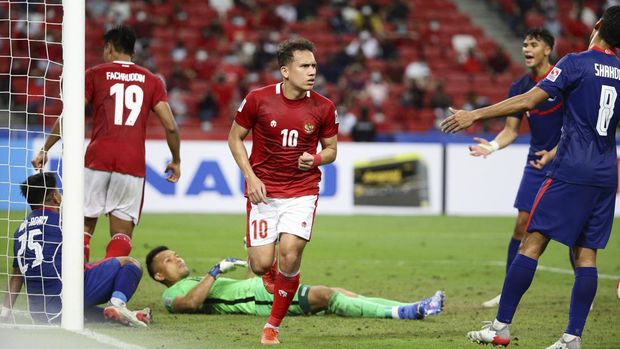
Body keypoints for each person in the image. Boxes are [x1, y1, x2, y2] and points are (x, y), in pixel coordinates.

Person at [441, 6, 620, 349]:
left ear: (597, 26)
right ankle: (572, 338)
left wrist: (474, 115)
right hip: (605, 172)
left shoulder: (575, 62)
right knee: (586, 256)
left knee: (532, 242)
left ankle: (500, 328)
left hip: (571, 171)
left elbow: (528, 99)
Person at [31, 25, 181, 262]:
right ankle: (113, 294)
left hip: (97, 158)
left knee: (83, 227)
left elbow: (71, 114)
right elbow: (171, 126)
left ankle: (78, 286)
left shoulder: (95, 74)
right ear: (132, 51)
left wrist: (46, 148)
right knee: (121, 234)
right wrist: (176, 160)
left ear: (109, 47)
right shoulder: (152, 80)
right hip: (131, 163)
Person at [228, 38, 338, 344]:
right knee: (262, 264)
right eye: (304, 66)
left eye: (314, 65)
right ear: (285, 71)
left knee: (290, 255)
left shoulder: (324, 107)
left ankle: (272, 326)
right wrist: (250, 177)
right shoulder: (258, 99)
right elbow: (234, 138)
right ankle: (263, 263)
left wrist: (315, 159)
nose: (312, 71)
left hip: (302, 191)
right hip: (264, 192)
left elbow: (331, 150)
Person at [468, 28, 564, 308]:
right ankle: (507, 291)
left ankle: (583, 287)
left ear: (548, 49)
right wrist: (493, 147)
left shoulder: (566, 80)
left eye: (533, 44)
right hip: (536, 163)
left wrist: (557, 151)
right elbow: (511, 130)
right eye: (523, 44)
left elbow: (576, 124)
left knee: (576, 231)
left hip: (566, 161)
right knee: (521, 224)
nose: (526, 49)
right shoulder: (520, 88)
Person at [0, 172, 150, 326]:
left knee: (70, 295)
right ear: (55, 197)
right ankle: (117, 304)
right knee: (130, 264)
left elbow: (17, 277)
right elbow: (80, 263)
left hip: (41, 312)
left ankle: (120, 316)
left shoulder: (20, 230)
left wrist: (4, 312)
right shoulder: (63, 221)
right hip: (65, 297)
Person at [145, 246, 445, 320]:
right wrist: (215, 271)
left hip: (260, 291)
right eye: (169, 261)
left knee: (342, 293)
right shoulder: (173, 295)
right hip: (260, 301)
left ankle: (411, 307)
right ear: (160, 276)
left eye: (177, 255)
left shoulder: (196, 281)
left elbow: (232, 292)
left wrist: (257, 264)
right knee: (328, 296)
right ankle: (404, 313)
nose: (178, 259)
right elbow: (191, 304)